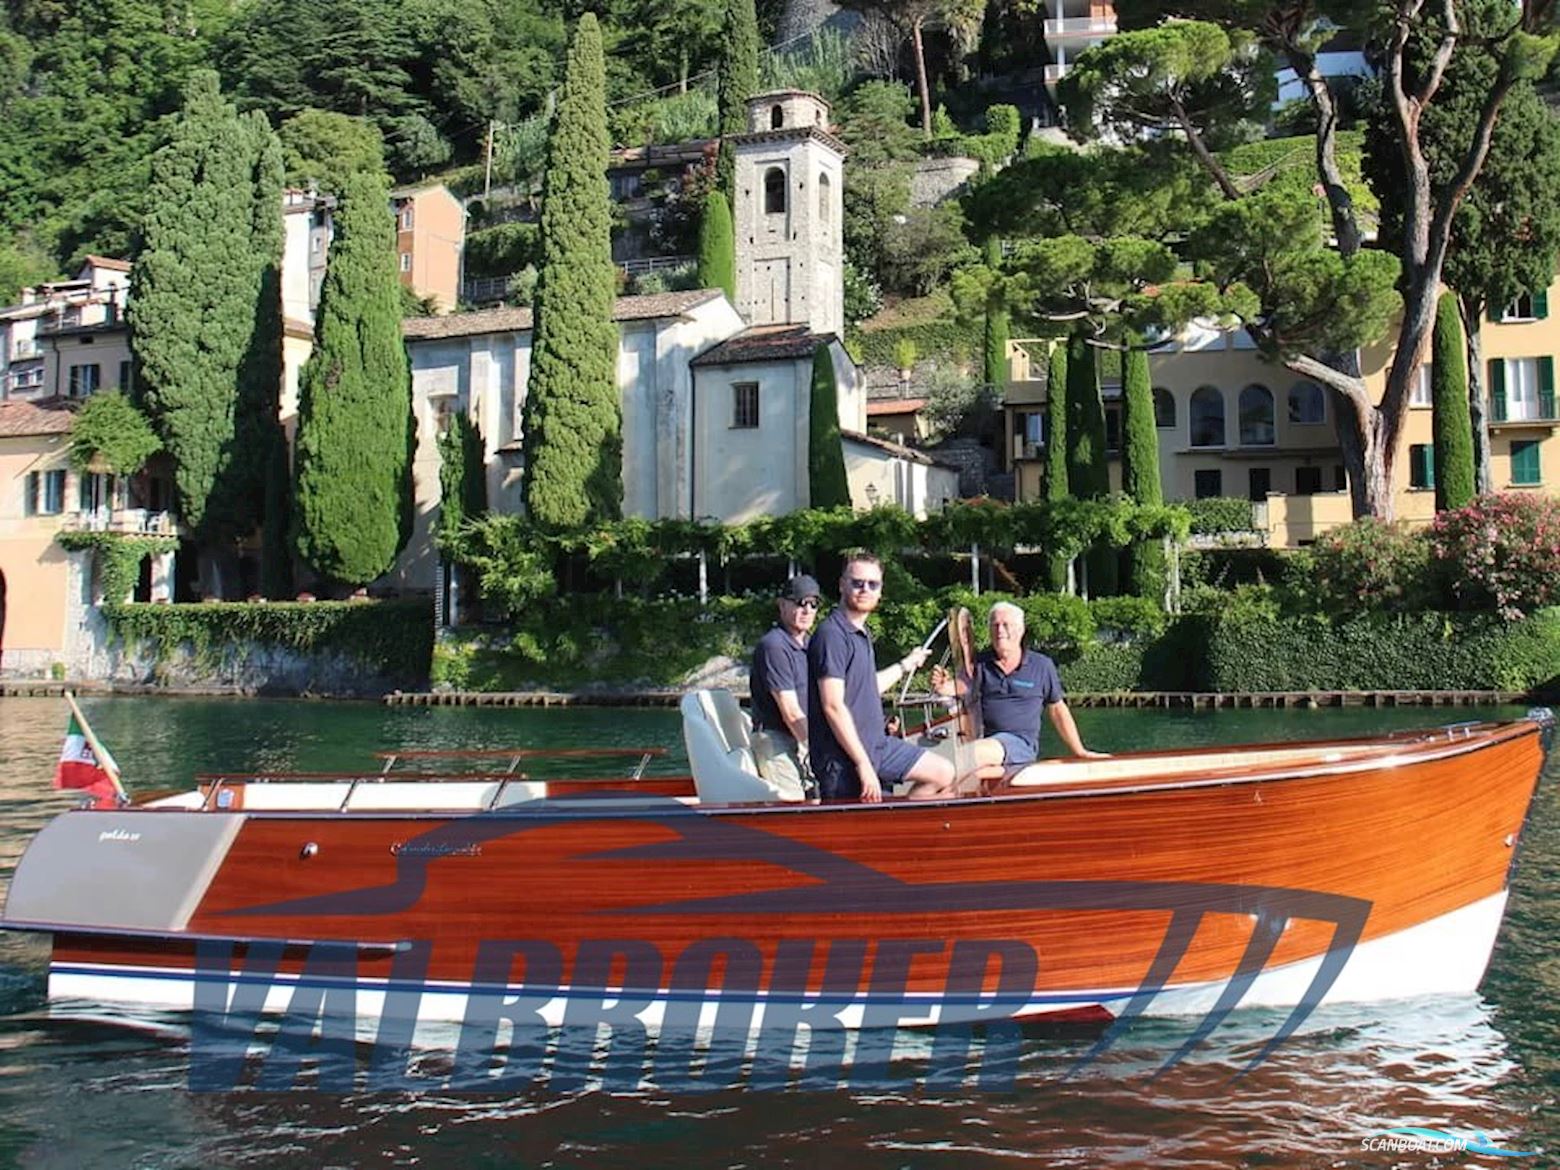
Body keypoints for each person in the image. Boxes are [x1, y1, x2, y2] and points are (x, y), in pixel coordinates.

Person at [806, 551, 958, 802]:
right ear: (842, 585)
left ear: (880, 590)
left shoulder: (862, 633)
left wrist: (905, 665)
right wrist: (863, 764)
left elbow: (867, 688)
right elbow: (832, 705)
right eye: (857, 583)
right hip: (843, 759)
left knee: (943, 773)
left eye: (872, 584)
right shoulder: (832, 635)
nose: (865, 589)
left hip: (877, 746)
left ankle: (902, 829)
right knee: (853, 833)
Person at [931, 601, 1106, 787]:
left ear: (1021, 630)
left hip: (1020, 745)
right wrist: (942, 686)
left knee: (970, 755)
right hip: (987, 743)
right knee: (955, 761)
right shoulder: (980, 664)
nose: (1000, 630)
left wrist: (1080, 751)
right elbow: (960, 688)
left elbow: (1058, 710)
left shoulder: (1041, 666)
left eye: (1006, 625)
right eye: (995, 625)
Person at [749, 574, 820, 793]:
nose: (807, 610)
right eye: (799, 602)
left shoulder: (810, 645)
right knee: (794, 804)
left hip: (801, 736)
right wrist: (818, 748)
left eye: (813, 604)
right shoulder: (774, 646)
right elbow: (790, 711)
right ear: (782, 605)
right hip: (775, 738)